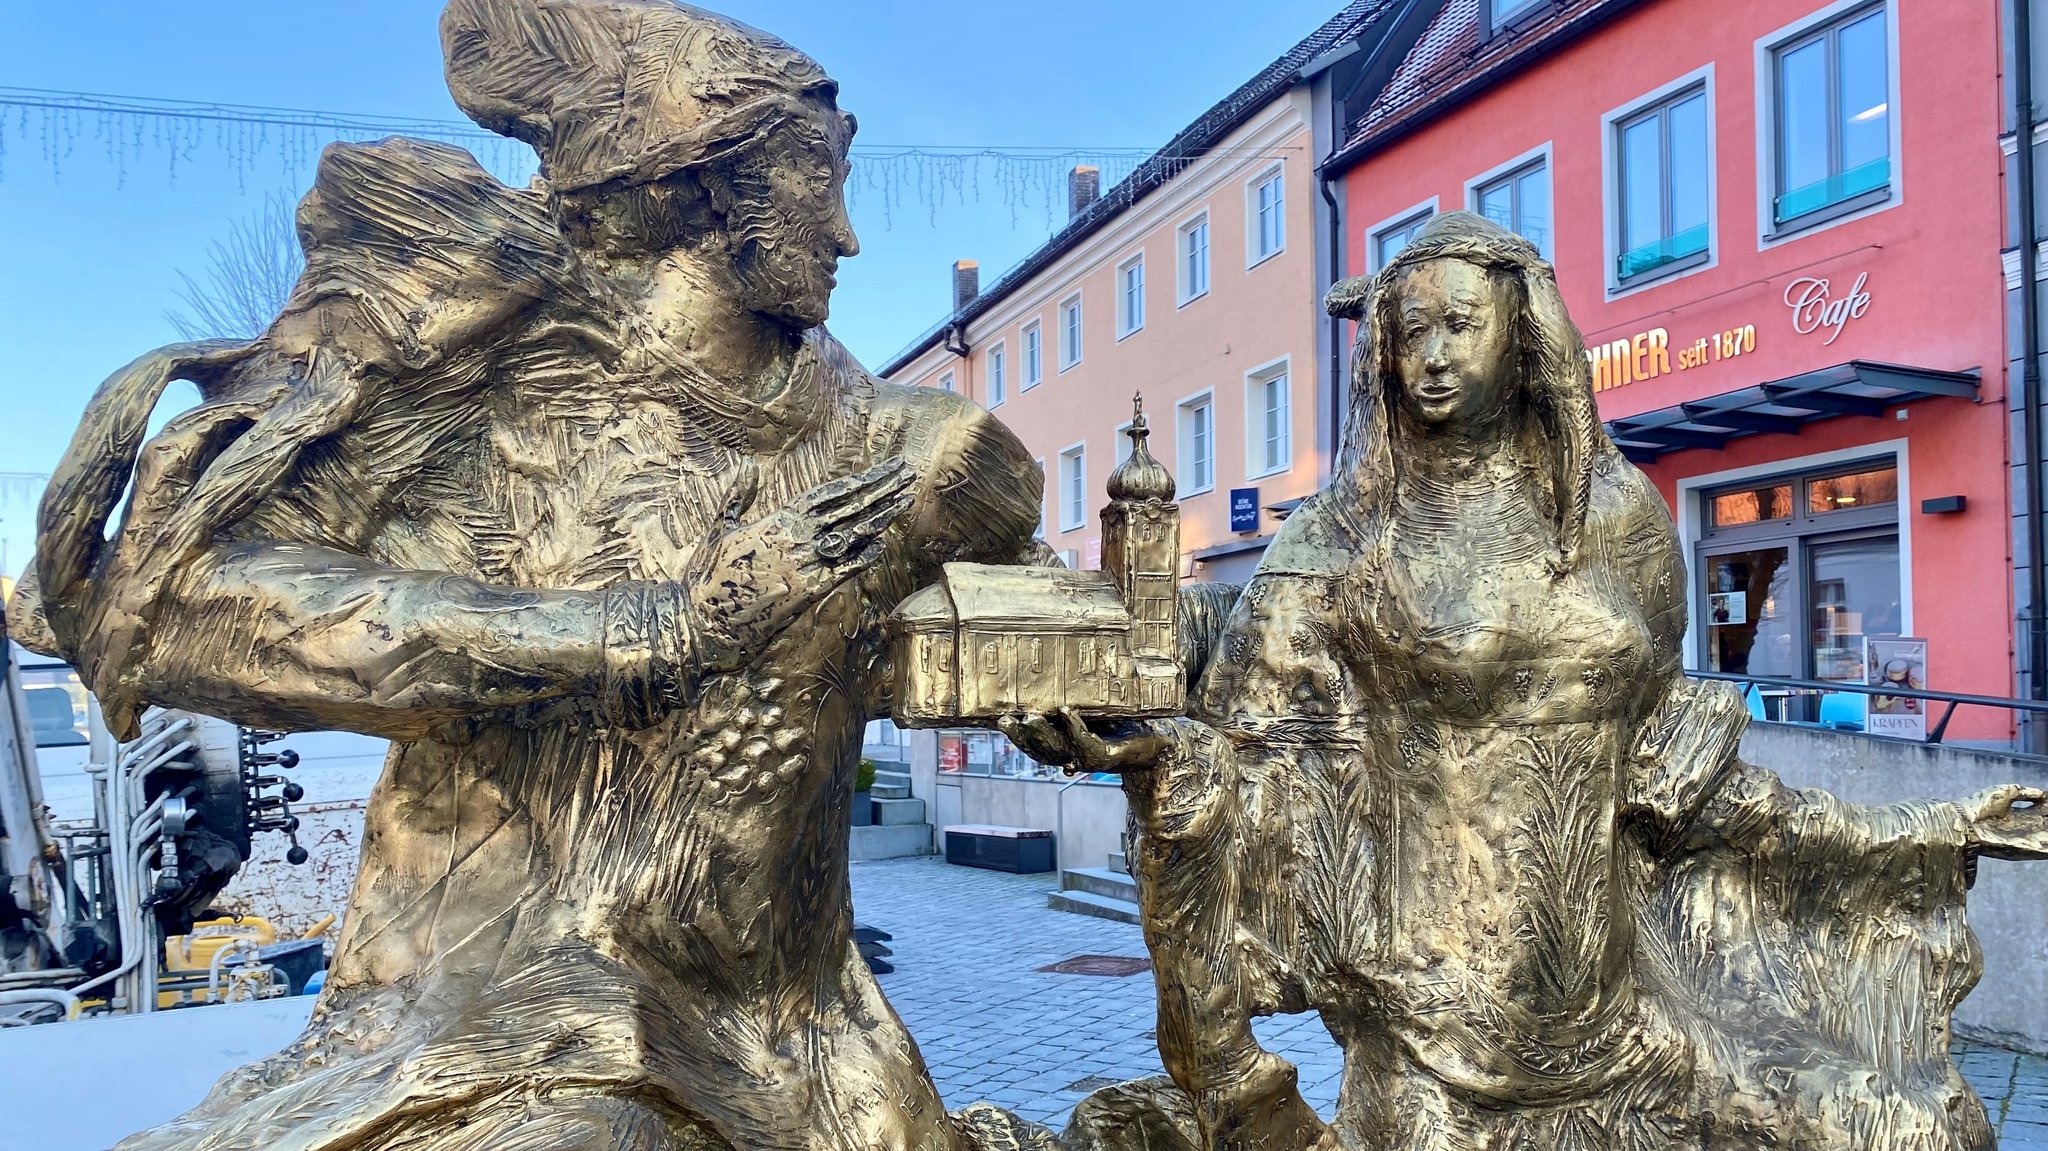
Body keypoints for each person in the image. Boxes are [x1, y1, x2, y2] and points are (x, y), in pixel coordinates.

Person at [15, 4, 1048, 1149]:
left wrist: (1090, 714)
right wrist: (653, 625)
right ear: (703, 189)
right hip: (505, 1010)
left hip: (793, 1034)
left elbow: (1023, 645)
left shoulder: (918, 449)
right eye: (816, 182)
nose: (847, 236)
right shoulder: (486, 382)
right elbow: (186, 614)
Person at [1006, 212, 2048, 1151]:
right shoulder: (1344, 538)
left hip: (1628, 1021)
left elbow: (1676, 785)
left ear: (1523, 329)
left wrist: (1936, 822)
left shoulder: (1621, 520)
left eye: (1458, 324)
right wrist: (1120, 707)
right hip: (1436, 1050)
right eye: (1406, 333)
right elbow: (1239, 698)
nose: (1429, 356)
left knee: (1909, 1128)